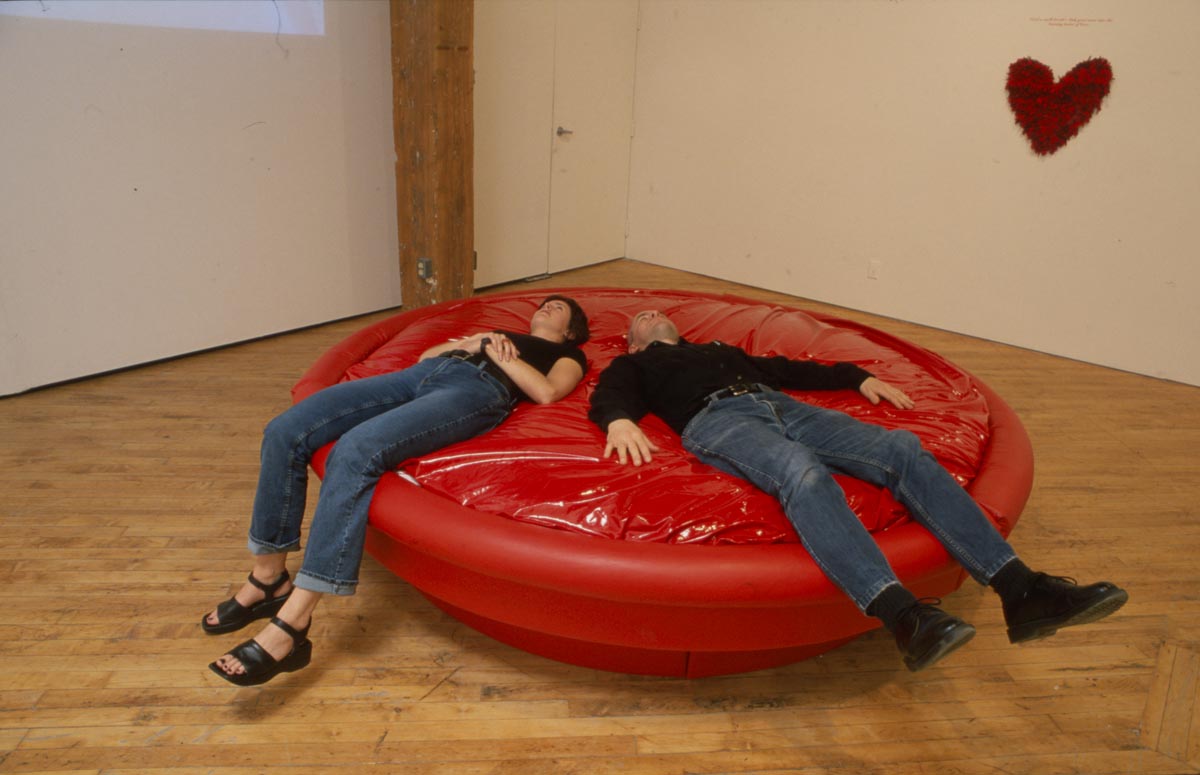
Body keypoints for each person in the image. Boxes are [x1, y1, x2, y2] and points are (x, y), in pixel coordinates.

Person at [588, 309, 1127, 672]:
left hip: (781, 405)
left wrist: (854, 376)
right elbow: (610, 395)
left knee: (901, 450)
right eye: (642, 319)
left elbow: (786, 369)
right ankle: (904, 616)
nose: (651, 314)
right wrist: (618, 419)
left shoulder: (718, 349)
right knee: (801, 472)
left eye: (657, 313)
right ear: (633, 340)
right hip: (717, 421)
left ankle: (1021, 590)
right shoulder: (635, 363)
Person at [205, 295, 590, 685]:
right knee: (284, 431)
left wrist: (492, 350)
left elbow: (546, 392)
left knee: (355, 450)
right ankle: (268, 577)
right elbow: (427, 355)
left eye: (558, 307)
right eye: (544, 303)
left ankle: (294, 621)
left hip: (477, 391)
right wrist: (471, 342)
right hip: (423, 374)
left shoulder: (568, 355)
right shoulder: (495, 334)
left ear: (571, 330)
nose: (546, 307)